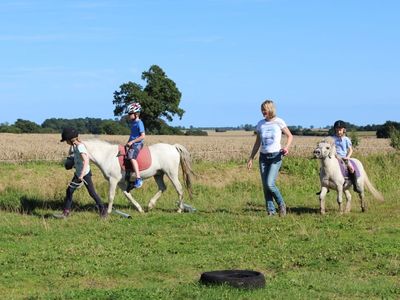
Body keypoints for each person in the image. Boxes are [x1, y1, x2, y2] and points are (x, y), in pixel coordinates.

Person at [247, 100, 293, 216]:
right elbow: (257, 142)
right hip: (263, 157)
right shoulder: (260, 124)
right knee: (265, 186)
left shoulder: (279, 121)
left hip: (276, 156)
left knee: (269, 183)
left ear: (271, 109)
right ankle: (271, 211)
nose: (263, 112)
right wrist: (251, 157)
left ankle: (281, 204)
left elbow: (290, 136)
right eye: (262, 110)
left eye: (265, 109)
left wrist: (286, 148)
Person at [56, 127, 107, 218]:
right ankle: (66, 212)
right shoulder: (74, 146)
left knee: (92, 193)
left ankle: (103, 210)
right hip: (78, 173)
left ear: (71, 139)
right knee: (69, 191)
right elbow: (72, 156)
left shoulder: (80, 146)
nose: (66, 142)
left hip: (85, 173)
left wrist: (82, 175)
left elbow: (86, 161)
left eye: (66, 140)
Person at [332, 120, 361, 192]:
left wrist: (347, 157)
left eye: (340, 130)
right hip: (334, 157)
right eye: (337, 130)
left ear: (344, 130)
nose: (339, 132)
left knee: (351, 169)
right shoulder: (332, 139)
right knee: (323, 168)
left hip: (344, 158)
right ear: (335, 130)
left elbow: (350, 150)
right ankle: (324, 185)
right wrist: (335, 155)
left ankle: (355, 185)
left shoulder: (346, 139)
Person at [125, 102, 146, 191]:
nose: (129, 115)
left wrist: (132, 142)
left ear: (136, 114)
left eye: (130, 113)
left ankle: (138, 178)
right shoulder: (133, 123)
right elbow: (132, 135)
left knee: (132, 157)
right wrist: (128, 142)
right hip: (132, 143)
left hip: (138, 144)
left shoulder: (139, 123)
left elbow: (142, 136)